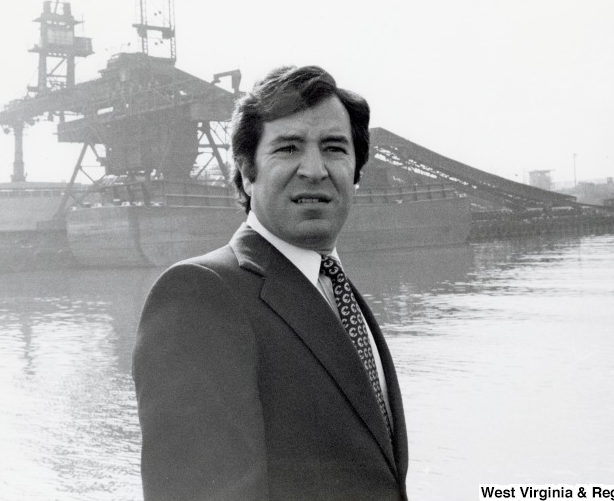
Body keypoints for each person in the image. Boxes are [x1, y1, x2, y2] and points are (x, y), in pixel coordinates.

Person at [132, 65, 408, 500]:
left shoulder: (338, 290)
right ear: (245, 171)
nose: (315, 169)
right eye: (288, 148)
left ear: (356, 171)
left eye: (335, 148)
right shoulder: (200, 294)